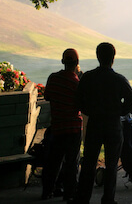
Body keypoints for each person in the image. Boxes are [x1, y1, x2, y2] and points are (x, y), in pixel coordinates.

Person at [73, 42, 132, 204]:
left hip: (94, 123)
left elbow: (78, 100)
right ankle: (108, 199)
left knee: (89, 163)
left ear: (98, 56)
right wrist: (120, 112)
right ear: (113, 58)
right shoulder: (118, 79)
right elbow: (131, 99)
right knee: (111, 163)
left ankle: (83, 198)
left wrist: (88, 110)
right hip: (113, 124)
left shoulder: (88, 77)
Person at [42, 48, 83, 201]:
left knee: (53, 161)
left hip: (57, 127)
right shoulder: (76, 83)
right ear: (77, 63)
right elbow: (81, 105)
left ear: (62, 61)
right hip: (73, 128)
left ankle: (47, 191)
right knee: (72, 162)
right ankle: (70, 193)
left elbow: (47, 96)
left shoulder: (53, 78)